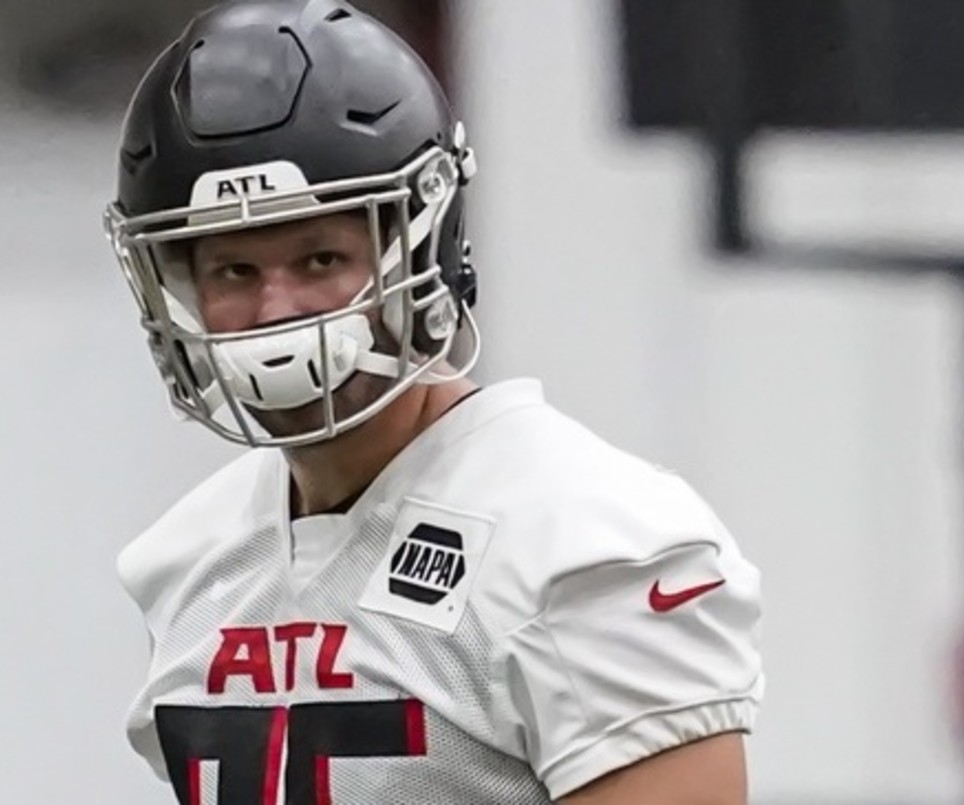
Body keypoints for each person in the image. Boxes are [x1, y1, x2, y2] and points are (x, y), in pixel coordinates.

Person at [104, 1, 764, 802]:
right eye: (234, 272)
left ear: (425, 245)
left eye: (320, 258)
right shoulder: (188, 560)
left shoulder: (584, 541)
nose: (277, 309)